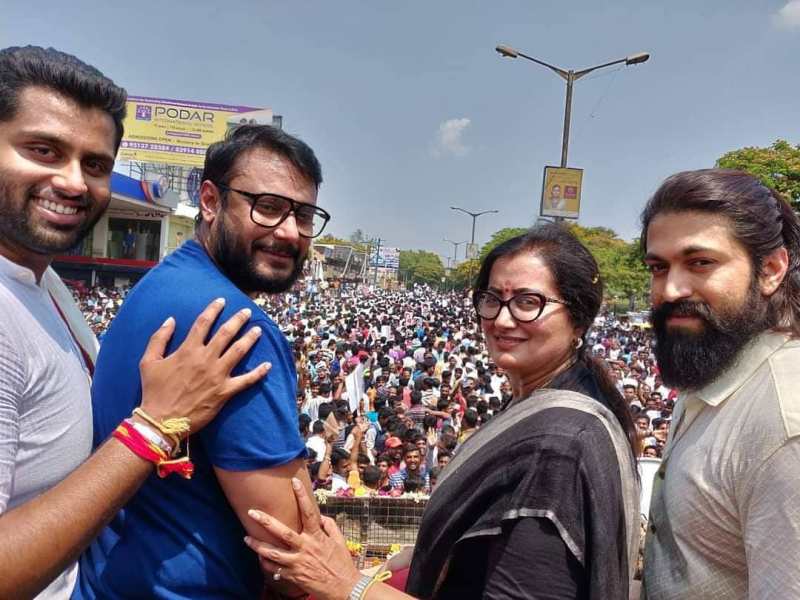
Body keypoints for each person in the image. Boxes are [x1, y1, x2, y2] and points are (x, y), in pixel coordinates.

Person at [244, 224, 641, 599]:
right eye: (491, 299)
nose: (501, 319)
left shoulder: (560, 446)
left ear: (579, 316)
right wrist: (421, 556)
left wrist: (346, 584)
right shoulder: (538, 408)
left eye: (527, 302)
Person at [0, 45, 268, 599]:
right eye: (43, 150)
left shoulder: (40, 282)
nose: (73, 182)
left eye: (94, 164)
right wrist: (153, 426)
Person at [75, 125, 330, 598]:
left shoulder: (158, 285)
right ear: (210, 202)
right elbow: (290, 547)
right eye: (268, 207)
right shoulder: (236, 326)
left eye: (305, 214)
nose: (291, 232)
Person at [639, 169, 800, 599]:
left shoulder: (785, 423)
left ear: (770, 269)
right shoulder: (712, 375)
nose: (671, 289)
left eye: (700, 263)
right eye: (658, 267)